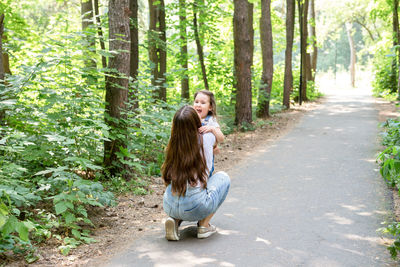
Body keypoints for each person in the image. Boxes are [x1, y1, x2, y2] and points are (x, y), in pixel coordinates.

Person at [162, 105, 230, 241]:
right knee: (223, 178)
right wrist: (212, 130)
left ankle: (174, 221)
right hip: (195, 206)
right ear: (195, 121)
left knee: (181, 187)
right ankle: (204, 226)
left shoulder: (173, 142)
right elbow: (220, 139)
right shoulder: (207, 137)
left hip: (169, 204)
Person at [193, 90, 224, 176]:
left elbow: (221, 139)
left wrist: (212, 129)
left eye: (203, 103)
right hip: (192, 158)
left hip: (205, 162)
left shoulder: (210, 120)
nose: (198, 105)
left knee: (204, 178)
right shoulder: (190, 118)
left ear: (210, 107)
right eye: (196, 102)